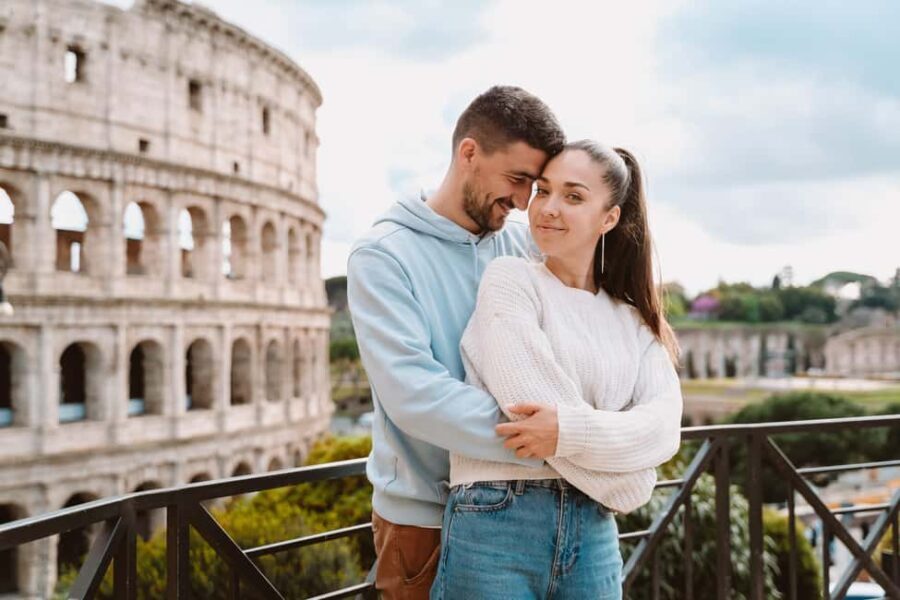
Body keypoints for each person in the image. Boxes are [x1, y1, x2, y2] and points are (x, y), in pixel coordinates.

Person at [431, 141, 684, 599]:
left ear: (609, 218)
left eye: (573, 196)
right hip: (497, 520)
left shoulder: (632, 319)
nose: (546, 209)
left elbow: (664, 429)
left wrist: (568, 431)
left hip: (594, 530)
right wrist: (629, 466)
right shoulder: (510, 280)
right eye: (543, 191)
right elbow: (530, 410)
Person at [347, 85, 565, 599]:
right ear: (469, 153)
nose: (521, 202)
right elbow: (416, 397)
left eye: (532, 185)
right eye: (517, 179)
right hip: (427, 517)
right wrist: (555, 445)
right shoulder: (382, 255)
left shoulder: (522, 245)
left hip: (527, 505)